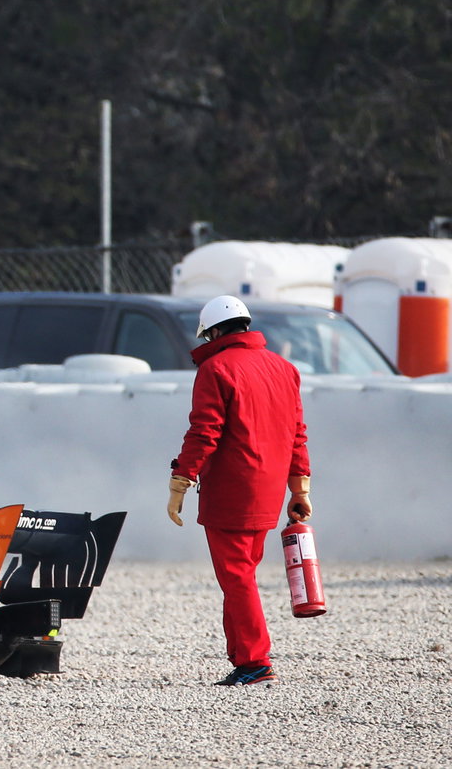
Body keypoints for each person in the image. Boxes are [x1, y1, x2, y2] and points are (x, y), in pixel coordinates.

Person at [168, 294, 313, 687]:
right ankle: (244, 660)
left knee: (236, 577)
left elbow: (204, 431)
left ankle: (255, 662)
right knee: (242, 573)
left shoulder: (215, 369)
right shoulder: (284, 369)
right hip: (269, 490)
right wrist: (299, 487)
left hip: (233, 489)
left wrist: (181, 479)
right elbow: (296, 433)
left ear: (212, 332)